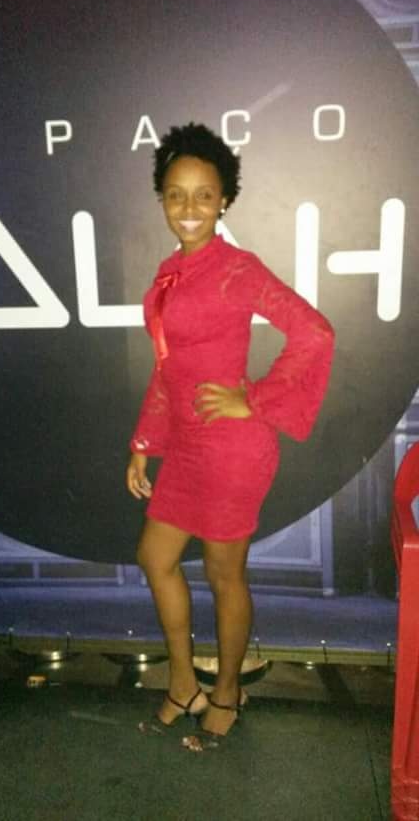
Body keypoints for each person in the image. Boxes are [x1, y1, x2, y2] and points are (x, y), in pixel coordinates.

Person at [126, 122, 334, 749]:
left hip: (233, 451)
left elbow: (314, 332)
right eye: (175, 194)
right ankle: (183, 683)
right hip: (187, 447)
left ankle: (226, 693)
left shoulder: (237, 268)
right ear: (162, 199)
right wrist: (144, 444)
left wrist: (256, 398)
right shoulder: (169, 273)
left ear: (225, 201)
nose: (188, 207)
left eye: (203, 194)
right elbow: (167, 369)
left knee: (224, 576)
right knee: (155, 558)